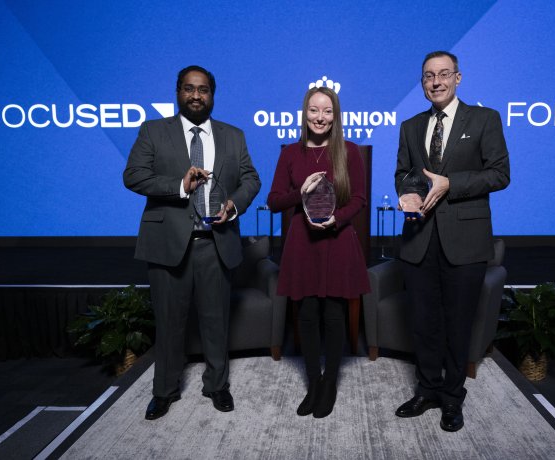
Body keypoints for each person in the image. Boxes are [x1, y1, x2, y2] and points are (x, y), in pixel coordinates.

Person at [123, 65, 261, 420]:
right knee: (169, 323)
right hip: (169, 245)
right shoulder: (154, 131)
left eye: (203, 90)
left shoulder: (233, 135)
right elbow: (134, 175)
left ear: (213, 95)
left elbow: (250, 179)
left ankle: (217, 385)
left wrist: (234, 204)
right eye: (189, 89)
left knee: (216, 322)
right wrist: (180, 186)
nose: (196, 96)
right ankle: (165, 391)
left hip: (216, 243)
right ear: (178, 92)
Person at [394, 51, 510, 432]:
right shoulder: (410, 126)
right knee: (424, 323)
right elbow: (403, 173)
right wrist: (406, 194)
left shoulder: (485, 119)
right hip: (419, 239)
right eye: (429, 76)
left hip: (466, 241)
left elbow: (499, 174)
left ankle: (451, 397)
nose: (436, 81)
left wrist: (451, 184)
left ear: (458, 78)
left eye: (444, 74)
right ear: (422, 82)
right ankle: (427, 390)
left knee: (458, 324)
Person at [267, 87, 370, 418]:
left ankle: (330, 384)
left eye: (327, 111)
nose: (320, 117)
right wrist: (302, 191)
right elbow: (274, 201)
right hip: (302, 243)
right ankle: (313, 381)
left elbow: (359, 200)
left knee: (334, 314)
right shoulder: (291, 154)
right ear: (305, 112)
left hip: (337, 240)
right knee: (307, 314)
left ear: (335, 115)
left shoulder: (349, 151)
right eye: (314, 110)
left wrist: (335, 220)